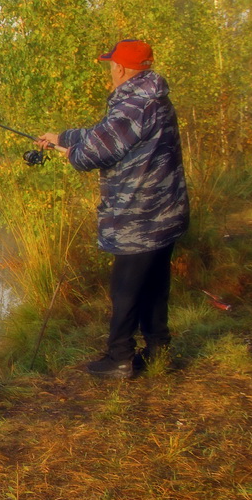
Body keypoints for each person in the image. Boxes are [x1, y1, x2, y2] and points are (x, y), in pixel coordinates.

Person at [37, 39, 190, 379]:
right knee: (153, 284)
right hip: (164, 212)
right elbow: (105, 134)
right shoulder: (154, 98)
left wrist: (73, 154)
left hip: (139, 216)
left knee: (125, 288)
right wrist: (62, 137)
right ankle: (159, 351)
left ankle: (120, 358)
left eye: (110, 65)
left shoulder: (133, 105)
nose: (109, 71)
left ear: (120, 68)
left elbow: (94, 153)